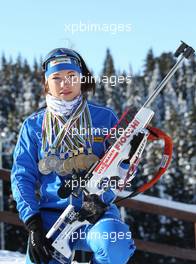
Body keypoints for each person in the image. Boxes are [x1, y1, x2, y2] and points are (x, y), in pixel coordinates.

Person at [11, 48, 136, 264]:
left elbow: (124, 169)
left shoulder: (104, 118)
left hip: (97, 213)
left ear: (81, 78)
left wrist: (127, 163)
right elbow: (22, 176)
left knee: (115, 242)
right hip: (52, 218)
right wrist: (33, 223)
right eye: (56, 78)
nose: (64, 84)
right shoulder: (33, 126)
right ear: (46, 83)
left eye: (71, 76)